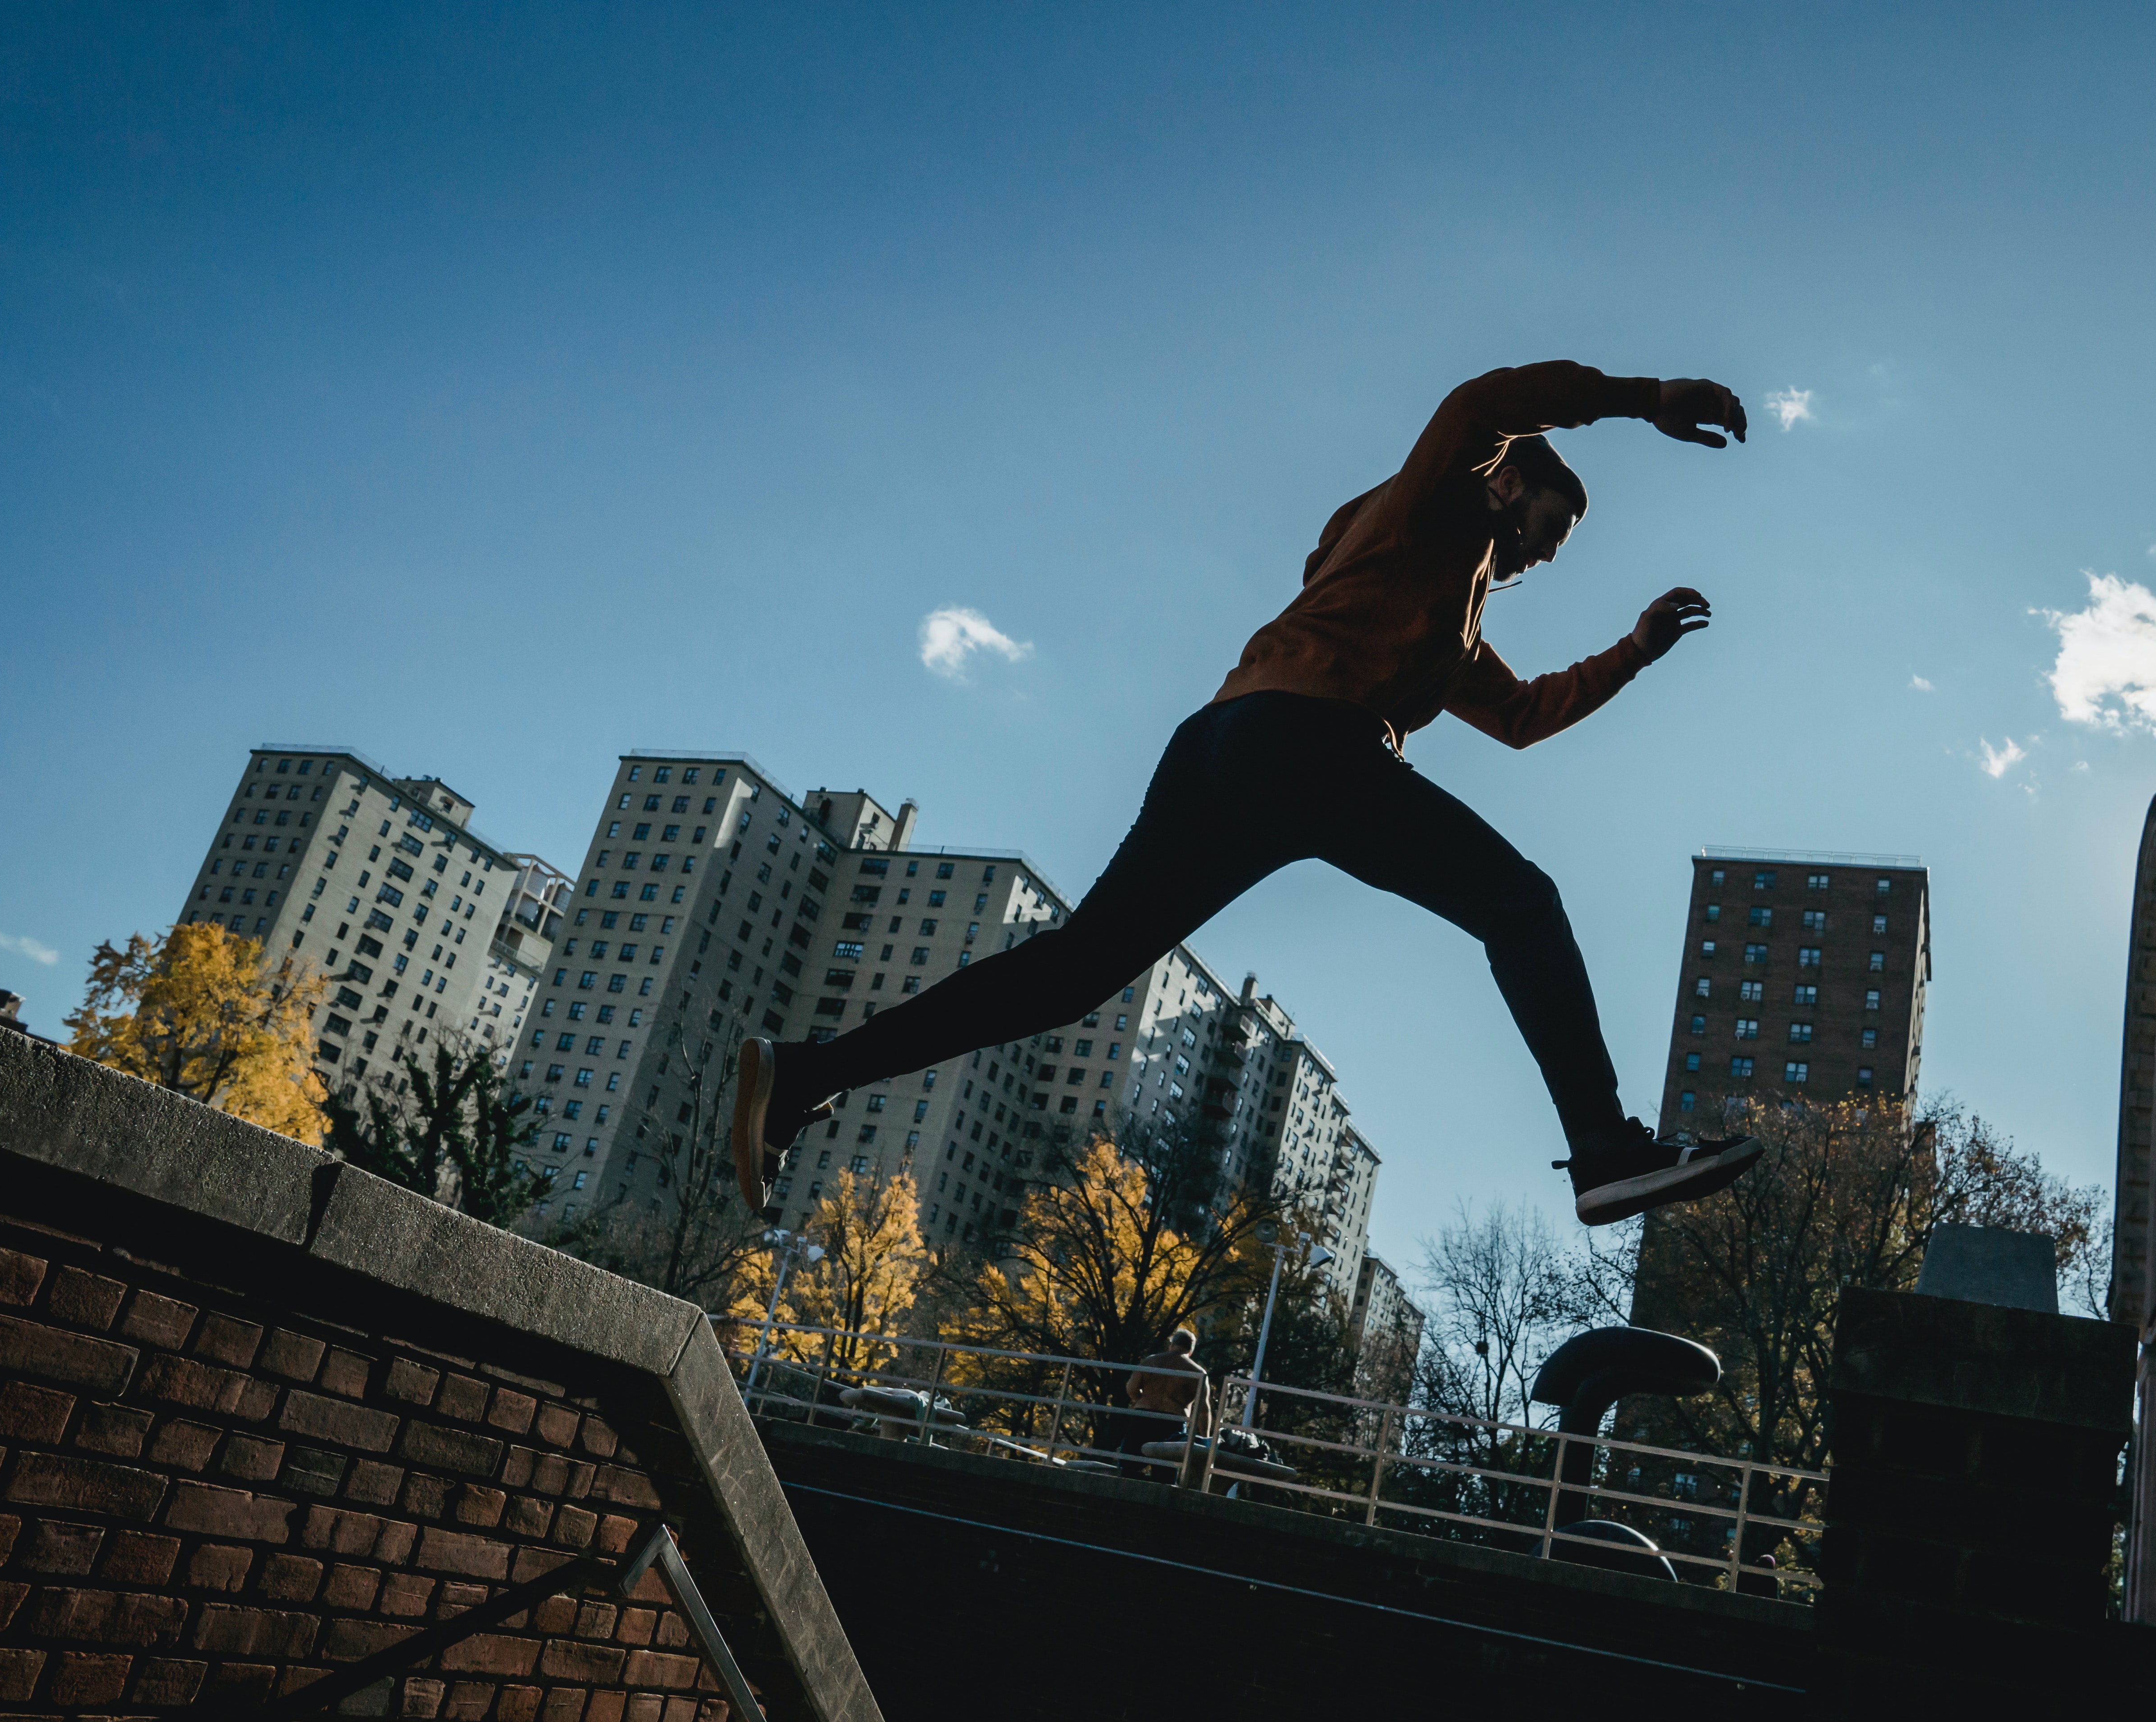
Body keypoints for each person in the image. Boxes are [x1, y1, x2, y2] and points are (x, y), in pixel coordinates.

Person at [734, 359, 1766, 1225]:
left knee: (1072, 972)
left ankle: (808, 1074)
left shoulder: (1443, 619)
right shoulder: (1435, 506)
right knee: (1522, 902)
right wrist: (1648, 397)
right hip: (1304, 746)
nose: (1543, 555)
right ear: (1507, 487)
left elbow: (1526, 715)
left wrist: (1634, 651)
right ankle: (1605, 1149)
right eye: (1548, 527)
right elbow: (1484, 400)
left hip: (1224, 749)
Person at [1118, 1326, 1213, 1480]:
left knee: (1127, 1471)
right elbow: (1204, 1411)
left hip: (1143, 1418)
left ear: (1171, 1345)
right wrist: (1205, 1440)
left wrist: (1142, 1401)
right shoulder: (1198, 1373)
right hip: (1172, 1423)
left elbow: (1131, 1388)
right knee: (1165, 1478)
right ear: (1191, 1352)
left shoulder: (1150, 1361)